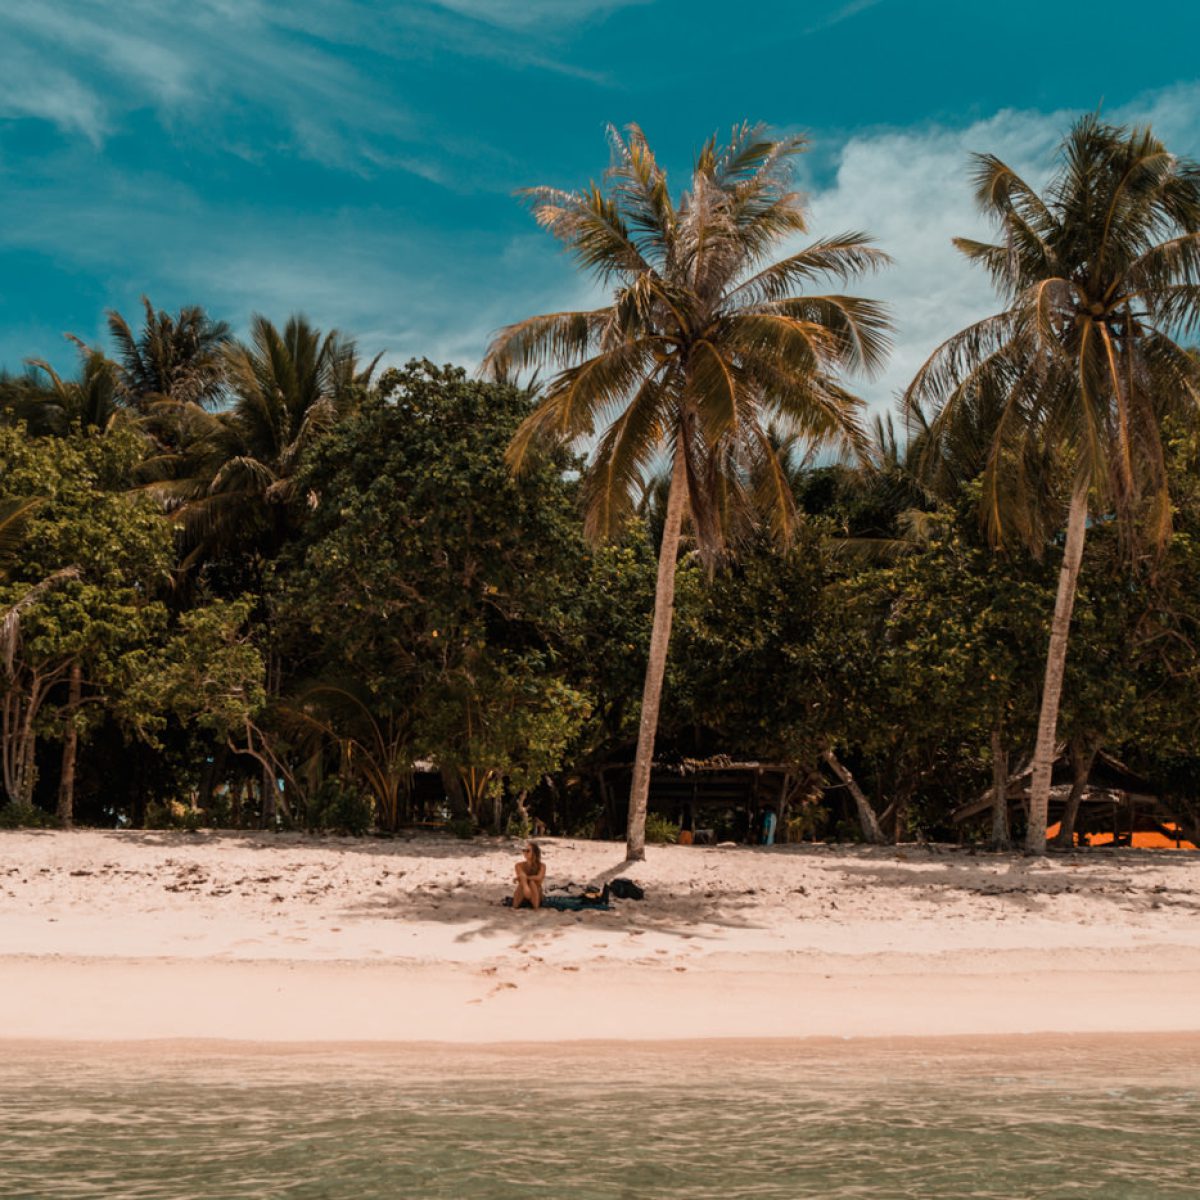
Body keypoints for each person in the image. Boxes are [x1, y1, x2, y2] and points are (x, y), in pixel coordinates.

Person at [512, 841, 545, 910]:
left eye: (528, 851)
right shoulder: (519, 865)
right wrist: (525, 886)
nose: (525, 852)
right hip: (523, 891)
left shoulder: (542, 866)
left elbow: (539, 877)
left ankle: (535, 907)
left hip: (536, 893)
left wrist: (523, 877)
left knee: (532, 882)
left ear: (534, 853)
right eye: (524, 850)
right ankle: (516, 905)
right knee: (523, 883)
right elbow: (522, 875)